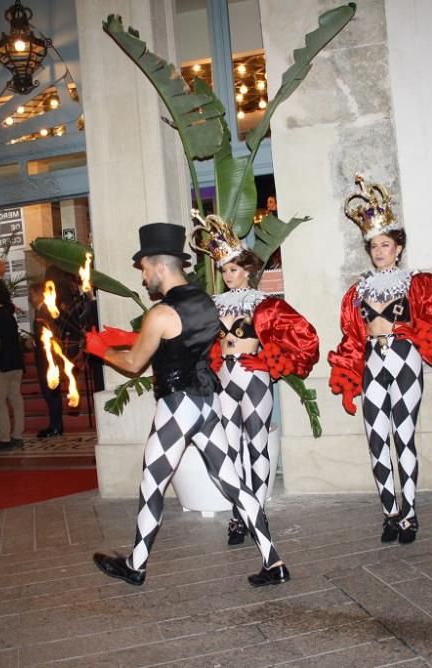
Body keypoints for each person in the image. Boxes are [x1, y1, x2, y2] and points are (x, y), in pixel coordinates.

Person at [86, 222, 289, 587]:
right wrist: (126, 339)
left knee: (152, 482)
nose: (144, 275)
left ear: (160, 266)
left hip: (178, 405)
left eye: (145, 267)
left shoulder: (162, 313)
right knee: (231, 482)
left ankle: (136, 564)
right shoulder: (204, 302)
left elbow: (135, 363)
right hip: (208, 402)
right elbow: (176, 340)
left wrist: (100, 349)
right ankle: (273, 562)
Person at [328, 175, 432, 545]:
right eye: (374, 245)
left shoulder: (416, 283)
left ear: (398, 247)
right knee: (376, 438)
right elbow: (351, 336)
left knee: (403, 436)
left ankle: (409, 514)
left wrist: (418, 336)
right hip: (373, 364)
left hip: (405, 360)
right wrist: (347, 374)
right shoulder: (357, 291)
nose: (379, 251)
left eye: (386, 244)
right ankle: (390, 513)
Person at [190, 211, 319, 545]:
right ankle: (239, 513)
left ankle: (257, 510)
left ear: (247, 269)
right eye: (224, 270)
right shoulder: (214, 304)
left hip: (254, 378)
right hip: (224, 378)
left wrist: (269, 363)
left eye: (233, 268)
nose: (228, 275)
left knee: (256, 443)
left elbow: (304, 335)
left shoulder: (264, 303)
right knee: (230, 449)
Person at [0, 288, 25, 451]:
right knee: (16, 399)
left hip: (2, 366)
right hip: (16, 364)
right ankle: (18, 435)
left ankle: (4, 438)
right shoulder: (9, 315)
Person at [29, 281, 66, 438]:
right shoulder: (41, 311)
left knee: (52, 394)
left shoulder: (44, 311)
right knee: (50, 394)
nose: (30, 297)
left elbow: (50, 335)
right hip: (46, 358)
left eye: (32, 294)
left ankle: (56, 427)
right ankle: (54, 425)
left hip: (48, 360)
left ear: (40, 294)